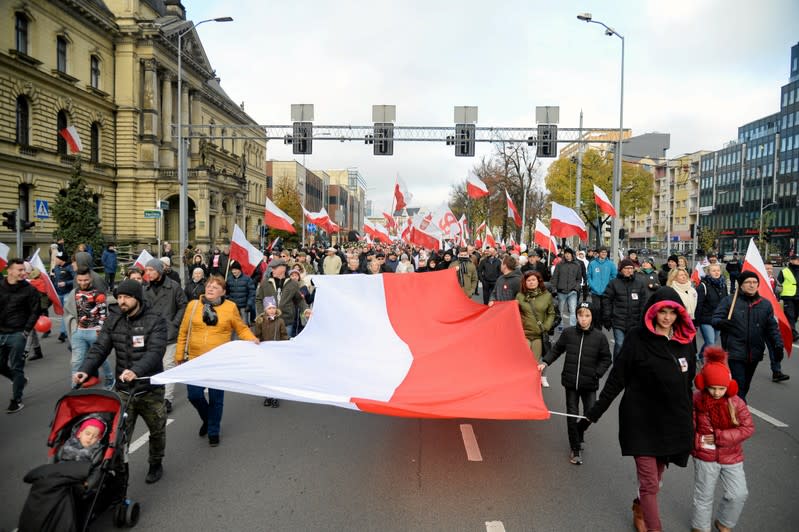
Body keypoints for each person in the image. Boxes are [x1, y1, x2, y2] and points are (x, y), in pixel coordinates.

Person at [579, 287, 697, 532]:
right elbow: (617, 379)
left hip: (671, 422)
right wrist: (593, 414)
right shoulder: (637, 338)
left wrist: (691, 421)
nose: (666, 317)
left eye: (671, 313)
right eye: (661, 312)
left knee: (657, 479)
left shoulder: (686, 341)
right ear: (653, 312)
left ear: (679, 314)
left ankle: (639, 506)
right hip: (640, 420)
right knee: (650, 483)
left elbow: (688, 384)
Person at [74, 279, 168, 484]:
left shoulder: (155, 320)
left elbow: (156, 352)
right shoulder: (114, 319)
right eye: (119, 297)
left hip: (150, 389)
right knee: (118, 435)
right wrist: (85, 370)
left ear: (138, 298)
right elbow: (100, 348)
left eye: (126, 297)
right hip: (124, 390)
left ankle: (155, 462)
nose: (122, 301)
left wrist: (136, 370)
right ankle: (117, 471)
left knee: (157, 431)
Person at [176, 274, 258, 447]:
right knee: (194, 395)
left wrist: (252, 339)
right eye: (209, 285)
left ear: (223, 291)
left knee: (216, 398)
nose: (210, 288)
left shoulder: (231, 307)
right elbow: (184, 331)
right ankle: (207, 418)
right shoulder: (193, 305)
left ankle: (213, 430)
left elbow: (241, 328)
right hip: (195, 359)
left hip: (218, 361)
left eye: (215, 286)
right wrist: (179, 355)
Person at [690, 346, 753, 532]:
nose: (717, 393)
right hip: (705, 456)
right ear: (703, 384)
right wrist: (696, 441)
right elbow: (687, 426)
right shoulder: (695, 401)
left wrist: (720, 437)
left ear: (729, 385)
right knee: (704, 495)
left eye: (721, 388)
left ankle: (724, 522)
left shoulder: (736, 402)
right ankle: (700, 527)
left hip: (732, 455)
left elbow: (748, 428)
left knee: (738, 493)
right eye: (712, 388)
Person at [539, 302, 611, 465]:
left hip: (589, 383)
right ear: (576, 316)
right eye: (580, 315)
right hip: (570, 382)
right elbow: (557, 349)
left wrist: (597, 373)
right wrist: (545, 362)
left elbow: (607, 358)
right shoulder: (569, 333)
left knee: (591, 413)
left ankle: (579, 430)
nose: (583, 319)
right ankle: (575, 448)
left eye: (587, 315)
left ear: (592, 317)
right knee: (572, 415)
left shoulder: (599, 337)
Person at [713, 271, 785, 399]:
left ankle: (733, 405)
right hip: (735, 350)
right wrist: (722, 323)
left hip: (755, 352)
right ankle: (739, 412)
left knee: (745, 385)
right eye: (748, 282)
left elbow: (772, 328)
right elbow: (715, 319)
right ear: (741, 285)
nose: (752, 285)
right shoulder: (730, 301)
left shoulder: (765, 304)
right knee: (739, 385)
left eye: (754, 282)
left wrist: (778, 345)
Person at [143, 258, 187, 413]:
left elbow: (183, 305)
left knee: (168, 366)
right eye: (146, 270)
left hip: (169, 334)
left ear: (159, 271)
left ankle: (167, 399)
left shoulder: (173, 287)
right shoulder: (145, 289)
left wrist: (174, 323)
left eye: (150, 270)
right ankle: (154, 396)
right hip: (151, 334)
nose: (147, 273)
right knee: (153, 367)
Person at [0, 258, 40, 413]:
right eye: (20, 270)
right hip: (1, 331)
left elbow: (35, 311)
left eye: (24, 270)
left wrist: (26, 331)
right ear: (9, 270)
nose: (24, 273)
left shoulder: (30, 290)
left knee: (17, 366)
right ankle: (20, 381)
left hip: (18, 333)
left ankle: (16, 400)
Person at [64, 268, 113, 389]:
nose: (83, 282)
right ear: (76, 279)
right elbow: (68, 310)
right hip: (79, 332)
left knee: (101, 359)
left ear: (90, 279)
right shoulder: (74, 293)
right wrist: (73, 328)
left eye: (85, 280)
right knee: (76, 361)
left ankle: (110, 378)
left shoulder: (98, 294)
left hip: (95, 332)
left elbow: (104, 315)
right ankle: (75, 387)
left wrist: (100, 332)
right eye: (80, 280)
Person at [603, 258, 648, 360]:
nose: (629, 270)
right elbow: (606, 301)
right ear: (621, 270)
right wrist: (607, 317)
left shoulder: (639, 284)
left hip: (634, 321)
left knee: (631, 346)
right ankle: (617, 368)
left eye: (631, 268)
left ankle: (627, 368)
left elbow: (643, 302)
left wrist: (642, 319)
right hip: (618, 320)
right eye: (626, 268)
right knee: (619, 344)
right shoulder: (613, 283)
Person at [253, 296, 288, 407]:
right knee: (266, 374)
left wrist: (285, 345)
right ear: (265, 310)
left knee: (275, 374)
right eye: (269, 308)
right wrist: (257, 342)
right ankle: (267, 396)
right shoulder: (260, 321)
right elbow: (257, 335)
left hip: (277, 352)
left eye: (273, 307)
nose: (272, 310)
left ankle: (275, 397)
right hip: (265, 351)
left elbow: (284, 335)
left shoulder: (280, 321)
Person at [516, 271, 556, 364]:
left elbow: (551, 313)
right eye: (528, 280)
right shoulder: (519, 296)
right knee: (523, 362)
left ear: (538, 281)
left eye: (533, 279)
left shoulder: (547, 296)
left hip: (538, 335)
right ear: (525, 283)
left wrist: (546, 327)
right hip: (524, 334)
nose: (531, 282)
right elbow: (514, 313)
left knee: (534, 364)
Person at [695, 263, 728, 362]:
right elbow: (699, 305)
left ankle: (700, 356)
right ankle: (711, 366)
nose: (716, 272)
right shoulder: (703, 286)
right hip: (706, 319)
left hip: (718, 319)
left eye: (718, 270)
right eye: (713, 271)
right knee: (710, 343)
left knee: (712, 341)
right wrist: (696, 322)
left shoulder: (723, 284)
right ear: (708, 272)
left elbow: (726, 302)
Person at [550, 248, 583, 327]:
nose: (567, 255)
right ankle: (560, 326)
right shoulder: (559, 265)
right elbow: (555, 277)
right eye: (566, 253)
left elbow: (579, 279)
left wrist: (576, 288)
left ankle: (572, 328)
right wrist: (554, 289)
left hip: (572, 291)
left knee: (572, 311)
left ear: (572, 254)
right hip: (561, 291)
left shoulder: (577, 265)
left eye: (569, 253)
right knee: (560, 311)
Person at [587, 247, 617, 326]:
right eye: (602, 252)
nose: (604, 254)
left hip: (606, 291)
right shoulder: (592, 263)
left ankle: (605, 323)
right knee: (596, 309)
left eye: (605, 252)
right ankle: (597, 326)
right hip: (595, 291)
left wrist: (609, 285)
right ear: (598, 253)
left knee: (605, 310)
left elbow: (614, 275)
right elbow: (589, 276)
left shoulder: (610, 264)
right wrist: (592, 285)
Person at [52, 251, 74, 342]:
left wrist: (66, 283)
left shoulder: (69, 267)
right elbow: (54, 279)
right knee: (62, 313)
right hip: (58, 294)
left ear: (61, 260)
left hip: (67, 294)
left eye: (57, 258)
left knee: (65, 313)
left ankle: (63, 332)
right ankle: (67, 330)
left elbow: (76, 279)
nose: (55, 259)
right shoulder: (56, 267)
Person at [777, 253, 799, 341]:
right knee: (790, 315)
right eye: (795, 259)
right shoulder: (784, 271)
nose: (797, 261)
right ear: (791, 260)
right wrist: (778, 296)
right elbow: (778, 284)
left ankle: (787, 331)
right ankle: (794, 335)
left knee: (795, 316)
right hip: (788, 297)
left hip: (798, 297)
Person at [226, 261, 256, 325]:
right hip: (233, 307)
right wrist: (227, 299)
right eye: (232, 270)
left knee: (244, 325)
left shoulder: (247, 279)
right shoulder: (229, 279)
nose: (234, 271)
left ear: (239, 270)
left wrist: (249, 304)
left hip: (244, 307)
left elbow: (252, 293)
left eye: (235, 269)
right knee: (232, 325)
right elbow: (226, 292)